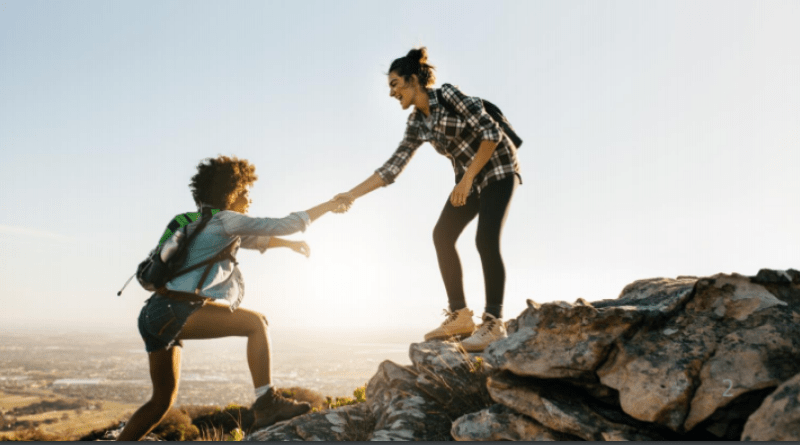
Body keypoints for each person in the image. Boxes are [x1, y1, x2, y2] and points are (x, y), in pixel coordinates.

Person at [117, 155, 349, 441]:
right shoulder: (226, 220)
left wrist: (289, 245)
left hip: (154, 315)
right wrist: (329, 205)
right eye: (246, 192)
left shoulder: (200, 223)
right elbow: (283, 224)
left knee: (161, 402)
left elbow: (255, 240)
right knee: (256, 323)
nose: (250, 199)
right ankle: (266, 402)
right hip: (176, 311)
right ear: (233, 192)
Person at [333, 47, 522, 353]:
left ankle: (494, 323)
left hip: (497, 168)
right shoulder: (416, 123)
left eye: (395, 84)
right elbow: (392, 168)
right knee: (442, 235)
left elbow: (491, 134)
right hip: (469, 181)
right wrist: (350, 195)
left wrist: (467, 178)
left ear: (413, 80)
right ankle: (460, 315)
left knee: (485, 239)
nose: (392, 93)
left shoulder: (449, 95)